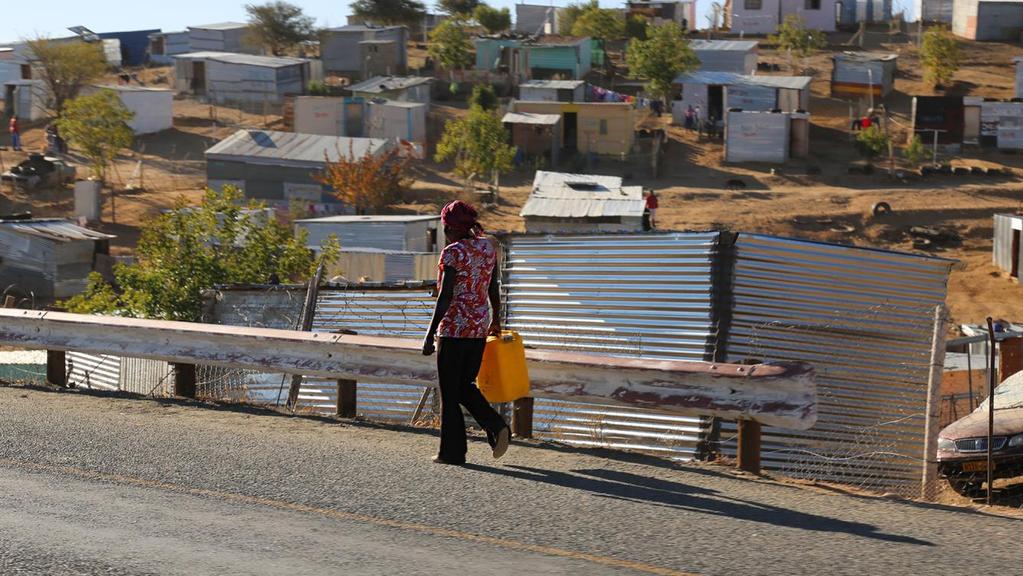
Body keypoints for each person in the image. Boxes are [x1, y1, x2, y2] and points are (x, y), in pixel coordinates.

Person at [422, 200, 511, 465]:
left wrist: (429, 333)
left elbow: (446, 295)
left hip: (453, 329)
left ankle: (452, 452)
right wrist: (496, 317)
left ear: (448, 226)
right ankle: (496, 426)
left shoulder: (452, 252)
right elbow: (493, 286)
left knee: (450, 393)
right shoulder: (487, 247)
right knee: (463, 386)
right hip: (478, 328)